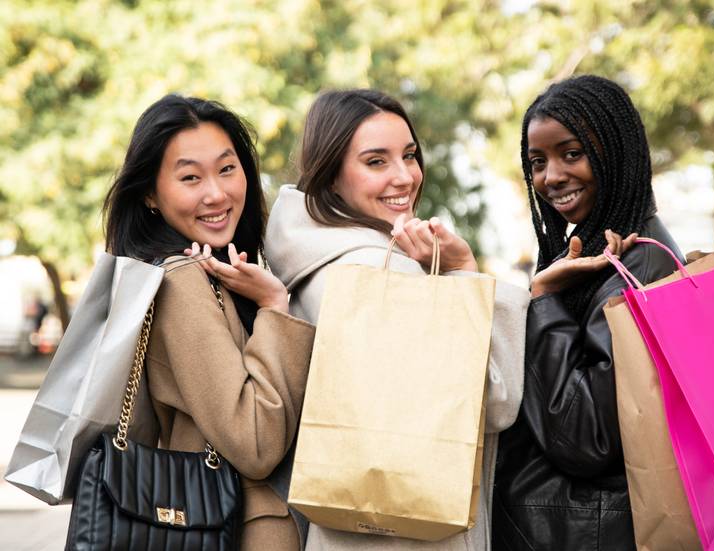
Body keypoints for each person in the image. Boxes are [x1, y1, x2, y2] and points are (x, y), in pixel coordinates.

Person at [261, 89, 530, 550]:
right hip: (411, 534)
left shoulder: (305, 265)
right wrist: (464, 273)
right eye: (376, 161)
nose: (404, 176)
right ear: (330, 176)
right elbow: (492, 400)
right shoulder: (377, 277)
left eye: (408, 155)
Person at [103, 94, 315, 550]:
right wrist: (275, 306)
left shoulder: (210, 275)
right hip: (240, 527)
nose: (216, 193)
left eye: (226, 169)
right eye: (190, 177)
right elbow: (253, 443)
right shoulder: (181, 282)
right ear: (149, 195)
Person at [492, 75, 684, 550]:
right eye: (537, 162)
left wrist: (544, 300)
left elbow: (583, 438)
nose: (551, 176)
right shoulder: (605, 255)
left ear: (615, 154)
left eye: (571, 153)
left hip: (591, 532)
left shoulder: (637, 264)